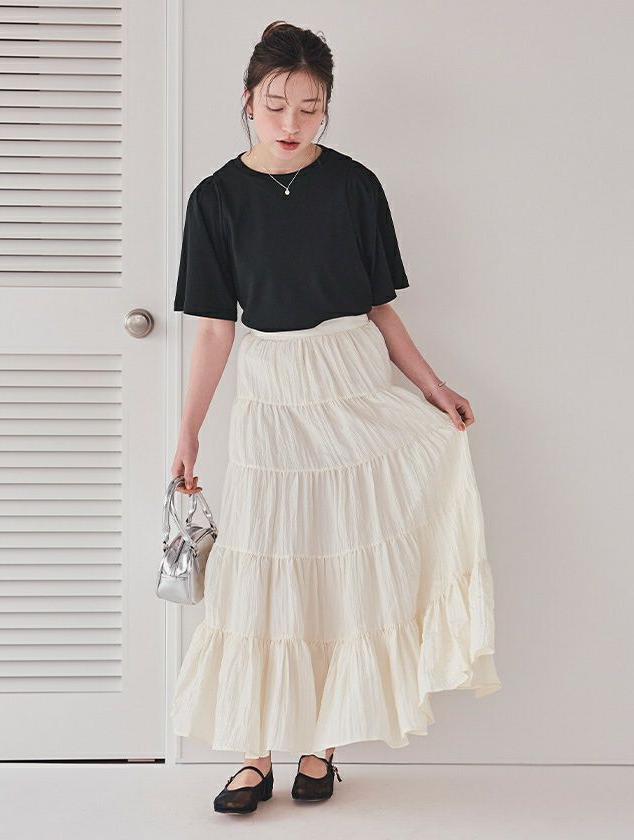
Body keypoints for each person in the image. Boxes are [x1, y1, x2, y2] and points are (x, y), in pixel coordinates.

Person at [170, 20, 502, 815]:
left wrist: (432, 387)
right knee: (263, 565)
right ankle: (254, 755)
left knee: (340, 558)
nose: (291, 122)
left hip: (353, 382)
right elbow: (215, 329)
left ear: (327, 107)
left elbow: (378, 308)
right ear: (247, 100)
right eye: (275, 104)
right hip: (274, 392)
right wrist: (187, 432)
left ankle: (322, 744)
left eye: (310, 108)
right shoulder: (214, 199)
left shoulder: (355, 185)